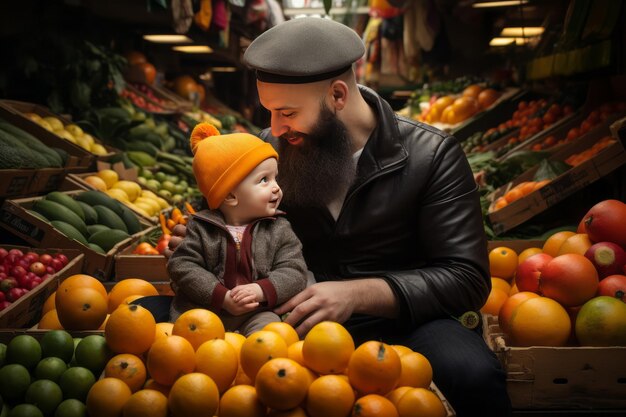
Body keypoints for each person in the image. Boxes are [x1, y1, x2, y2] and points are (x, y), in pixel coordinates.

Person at [167, 17, 511, 416]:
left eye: (287, 112)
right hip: (283, 311)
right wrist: (201, 242)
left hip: (408, 321)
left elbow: (466, 279)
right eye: (270, 113)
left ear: (337, 96)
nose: (275, 129)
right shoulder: (263, 151)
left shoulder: (432, 156)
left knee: (473, 375)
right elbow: (218, 228)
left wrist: (356, 293)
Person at [166, 123, 308, 336]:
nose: (276, 187)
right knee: (191, 337)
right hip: (205, 310)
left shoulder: (279, 229)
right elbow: (183, 266)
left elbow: (294, 270)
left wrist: (261, 290)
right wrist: (221, 296)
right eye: (264, 180)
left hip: (256, 312)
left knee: (270, 333)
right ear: (230, 196)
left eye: (275, 177)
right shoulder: (202, 228)